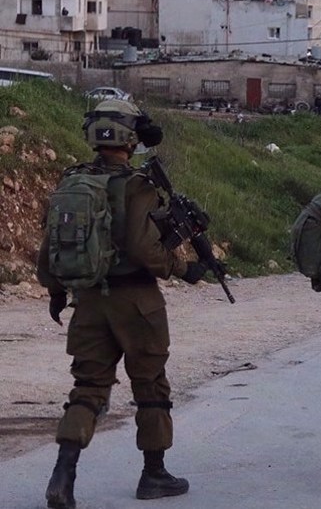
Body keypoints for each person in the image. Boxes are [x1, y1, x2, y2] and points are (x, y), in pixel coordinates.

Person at [37, 100, 207, 509]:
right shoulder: (138, 185)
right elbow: (144, 249)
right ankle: (154, 475)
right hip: (137, 302)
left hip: (90, 299)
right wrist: (183, 268)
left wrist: (56, 291)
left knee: (88, 388)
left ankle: (63, 475)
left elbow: (50, 248)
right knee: (151, 387)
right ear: (130, 138)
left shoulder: (72, 182)